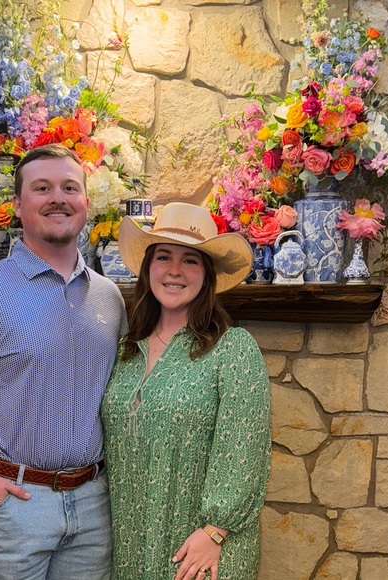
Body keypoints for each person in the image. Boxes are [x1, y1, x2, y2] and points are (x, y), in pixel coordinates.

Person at [0, 144, 127, 580]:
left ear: (86, 202)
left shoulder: (109, 297)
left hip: (93, 505)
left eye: (70, 187)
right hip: (13, 506)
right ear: (17, 204)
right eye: (42, 188)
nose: (58, 198)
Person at [101, 202, 271, 580]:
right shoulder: (126, 350)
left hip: (202, 550)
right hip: (132, 543)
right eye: (164, 256)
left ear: (207, 275)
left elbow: (244, 450)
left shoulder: (233, 349)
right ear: (149, 267)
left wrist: (215, 530)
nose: (174, 270)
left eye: (190, 260)